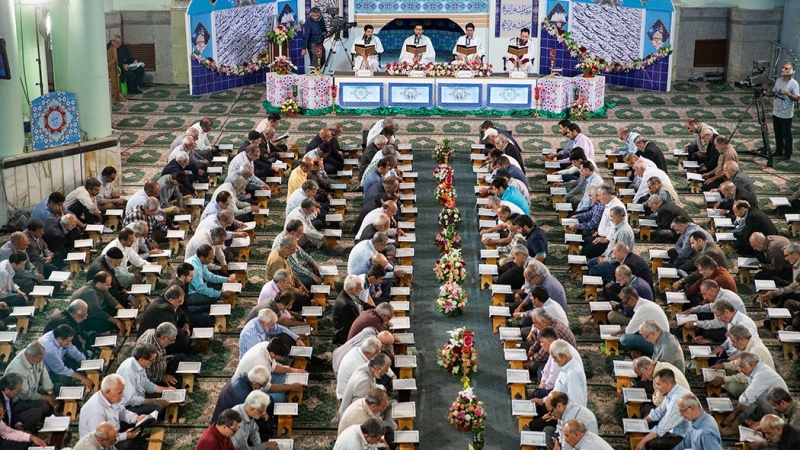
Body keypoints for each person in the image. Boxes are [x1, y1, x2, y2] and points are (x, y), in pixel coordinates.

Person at [720, 352, 788, 436]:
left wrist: (732, 415)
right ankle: (748, 422)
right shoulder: (755, 370)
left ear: (751, 365)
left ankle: (735, 426)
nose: (739, 370)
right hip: (765, 405)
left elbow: (749, 398)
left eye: (741, 367)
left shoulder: (761, 374)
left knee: (752, 399)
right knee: (730, 400)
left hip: (777, 411)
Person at [79, 375, 148, 450]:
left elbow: (122, 411)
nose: (122, 395)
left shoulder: (109, 397)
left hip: (112, 432)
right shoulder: (96, 411)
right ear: (108, 391)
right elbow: (102, 439)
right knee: (128, 445)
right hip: (101, 443)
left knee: (139, 423)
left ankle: (136, 443)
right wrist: (125, 436)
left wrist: (136, 418)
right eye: (119, 393)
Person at [2, 343, 56, 426]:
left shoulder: (36, 356)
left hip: (34, 389)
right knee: (43, 405)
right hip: (19, 400)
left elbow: (45, 376)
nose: (42, 361)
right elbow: (25, 395)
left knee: (56, 388)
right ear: (29, 357)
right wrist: (47, 398)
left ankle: (52, 412)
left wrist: (50, 393)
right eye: (40, 359)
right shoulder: (18, 369)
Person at [638, 368, 690, 450]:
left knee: (651, 443)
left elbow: (662, 427)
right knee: (649, 424)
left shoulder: (678, 400)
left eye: (658, 384)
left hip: (686, 438)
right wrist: (642, 422)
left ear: (666, 383)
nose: (657, 388)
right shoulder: (673, 392)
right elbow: (659, 412)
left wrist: (642, 441)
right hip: (675, 430)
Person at [116, 343, 175, 415]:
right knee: (157, 407)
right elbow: (132, 400)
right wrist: (155, 401)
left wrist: (165, 389)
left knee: (163, 394)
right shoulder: (128, 373)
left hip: (140, 396)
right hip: (127, 406)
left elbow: (146, 384)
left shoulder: (139, 365)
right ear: (142, 359)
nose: (153, 363)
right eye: (151, 360)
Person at [613, 288, 669, 355]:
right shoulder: (646, 303)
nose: (625, 305)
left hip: (658, 344)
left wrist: (618, 332)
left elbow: (629, 331)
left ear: (632, 299)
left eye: (625, 302)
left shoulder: (642, 309)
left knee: (625, 339)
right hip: (661, 338)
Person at [38, 324, 93, 392]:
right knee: (65, 379)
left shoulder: (61, 337)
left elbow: (73, 351)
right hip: (45, 372)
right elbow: (60, 369)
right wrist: (81, 378)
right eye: (68, 341)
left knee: (81, 356)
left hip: (58, 363)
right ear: (59, 339)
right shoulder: (49, 349)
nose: (70, 343)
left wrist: (86, 362)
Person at [772, 62, 800, 159]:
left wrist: (788, 94)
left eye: (786, 68)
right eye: (783, 67)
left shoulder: (794, 83)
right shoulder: (779, 80)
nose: (783, 69)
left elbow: (797, 98)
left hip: (786, 113)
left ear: (791, 71)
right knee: (777, 132)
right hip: (776, 111)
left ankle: (787, 153)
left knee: (786, 133)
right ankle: (779, 150)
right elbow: (774, 92)